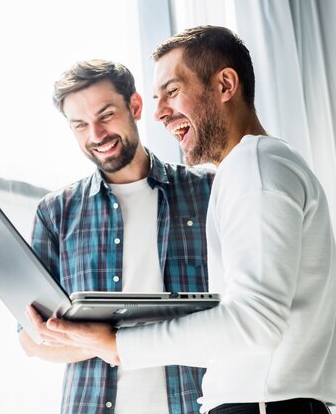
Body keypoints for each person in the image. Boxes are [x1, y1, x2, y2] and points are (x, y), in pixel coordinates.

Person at [41, 26, 336, 414]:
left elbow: (255, 322)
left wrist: (117, 345)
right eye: (157, 97)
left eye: (173, 91)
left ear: (225, 84)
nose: (161, 112)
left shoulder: (255, 168)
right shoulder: (250, 168)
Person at [18, 59, 214, 414]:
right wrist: (105, 342)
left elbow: (238, 310)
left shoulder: (207, 192)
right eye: (80, 125)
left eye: (105, 115)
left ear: (135, 106)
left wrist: (100, 338)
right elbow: (31, 339)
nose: (96, 135)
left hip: (196, 403)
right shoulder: (55, 213)